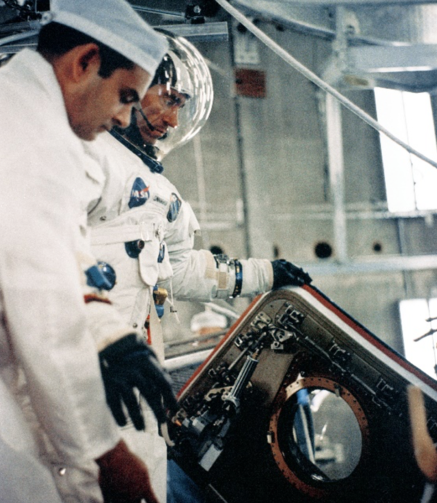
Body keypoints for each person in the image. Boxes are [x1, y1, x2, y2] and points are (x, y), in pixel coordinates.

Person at [81, 31, 312, 501]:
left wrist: (264, 274)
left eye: (180, 107)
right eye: (166, 99)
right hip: (82, 355)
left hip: (128, 369)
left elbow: (181, 270)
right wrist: (102, 339)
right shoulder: (87, 155)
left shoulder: (157, 188)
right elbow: (49, 250)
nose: (170, 119)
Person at [0, 1, 174, 501]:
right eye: (124, 96)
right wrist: (105, 458)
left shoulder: (18, 110)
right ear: (84, 62)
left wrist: (105, 334)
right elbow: (46, 324)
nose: (124, 118)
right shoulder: (36, 146)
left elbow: (61, 261)